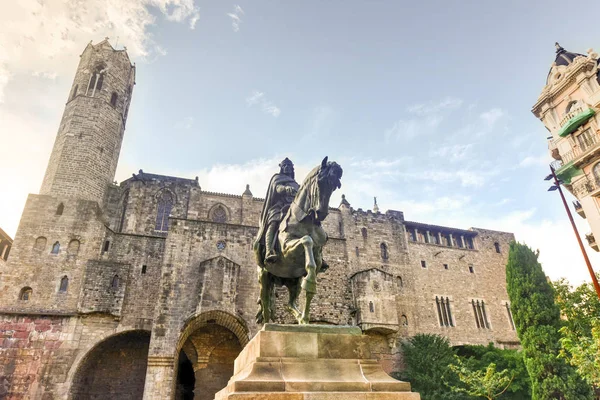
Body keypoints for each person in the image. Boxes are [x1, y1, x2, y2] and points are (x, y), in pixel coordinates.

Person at [255, 158, 299, 264]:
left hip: (293, 208)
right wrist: (285, 189)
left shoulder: (296, 184)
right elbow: (277, 187)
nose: (287, 167)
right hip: (278, 207)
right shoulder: (277, 178)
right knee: (273, 223)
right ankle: (269, 251)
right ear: (281, 168)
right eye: (284, 166)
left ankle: (318, 254)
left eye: (289, 166)